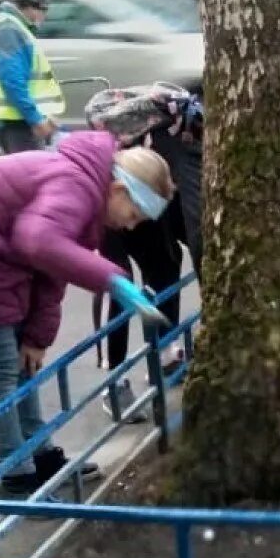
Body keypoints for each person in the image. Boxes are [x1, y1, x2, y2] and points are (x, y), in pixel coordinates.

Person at [0, 132, 175, 495]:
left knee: (25, 366)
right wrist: (111, 279)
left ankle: (38, 453)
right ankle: (15, 474)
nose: (130, 227)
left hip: (1, 258)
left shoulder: (88, 200)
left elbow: (53, 270)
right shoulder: (76, 187)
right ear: (118, 191)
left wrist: (37, 336)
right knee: (1, 368)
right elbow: (37, 241)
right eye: (133, 215)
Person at [85, 85, 205, 418]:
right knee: (117, 280)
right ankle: (114, 378)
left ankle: (166, 353)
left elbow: (192, 213)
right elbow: (196, 215)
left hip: (146, 197)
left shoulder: (189, 131)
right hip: (111, 197)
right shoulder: (183, 128)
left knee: (165, 264)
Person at [0, 0, 65, 154]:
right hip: (17, 121)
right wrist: (35, 119)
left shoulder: (12, 27)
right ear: (32, 8)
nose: (43, 18)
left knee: (27, 175)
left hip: (18, 118)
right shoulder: (9, 29)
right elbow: (12, 80)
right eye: (43, 12)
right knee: (29, 176)